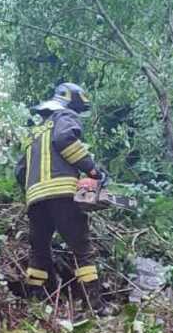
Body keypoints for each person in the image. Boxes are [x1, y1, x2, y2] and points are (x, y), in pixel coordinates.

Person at [14, 82, 109, 313]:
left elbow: (20, 172)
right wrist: (93, 171)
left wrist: (37, 189)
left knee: (39, 251)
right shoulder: (64, 116)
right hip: (63, 196)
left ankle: (37, 304)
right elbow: (64, 139)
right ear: (72, 103)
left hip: (35, 199)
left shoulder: (33, 132)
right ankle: (94, 307)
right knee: (82, 249)